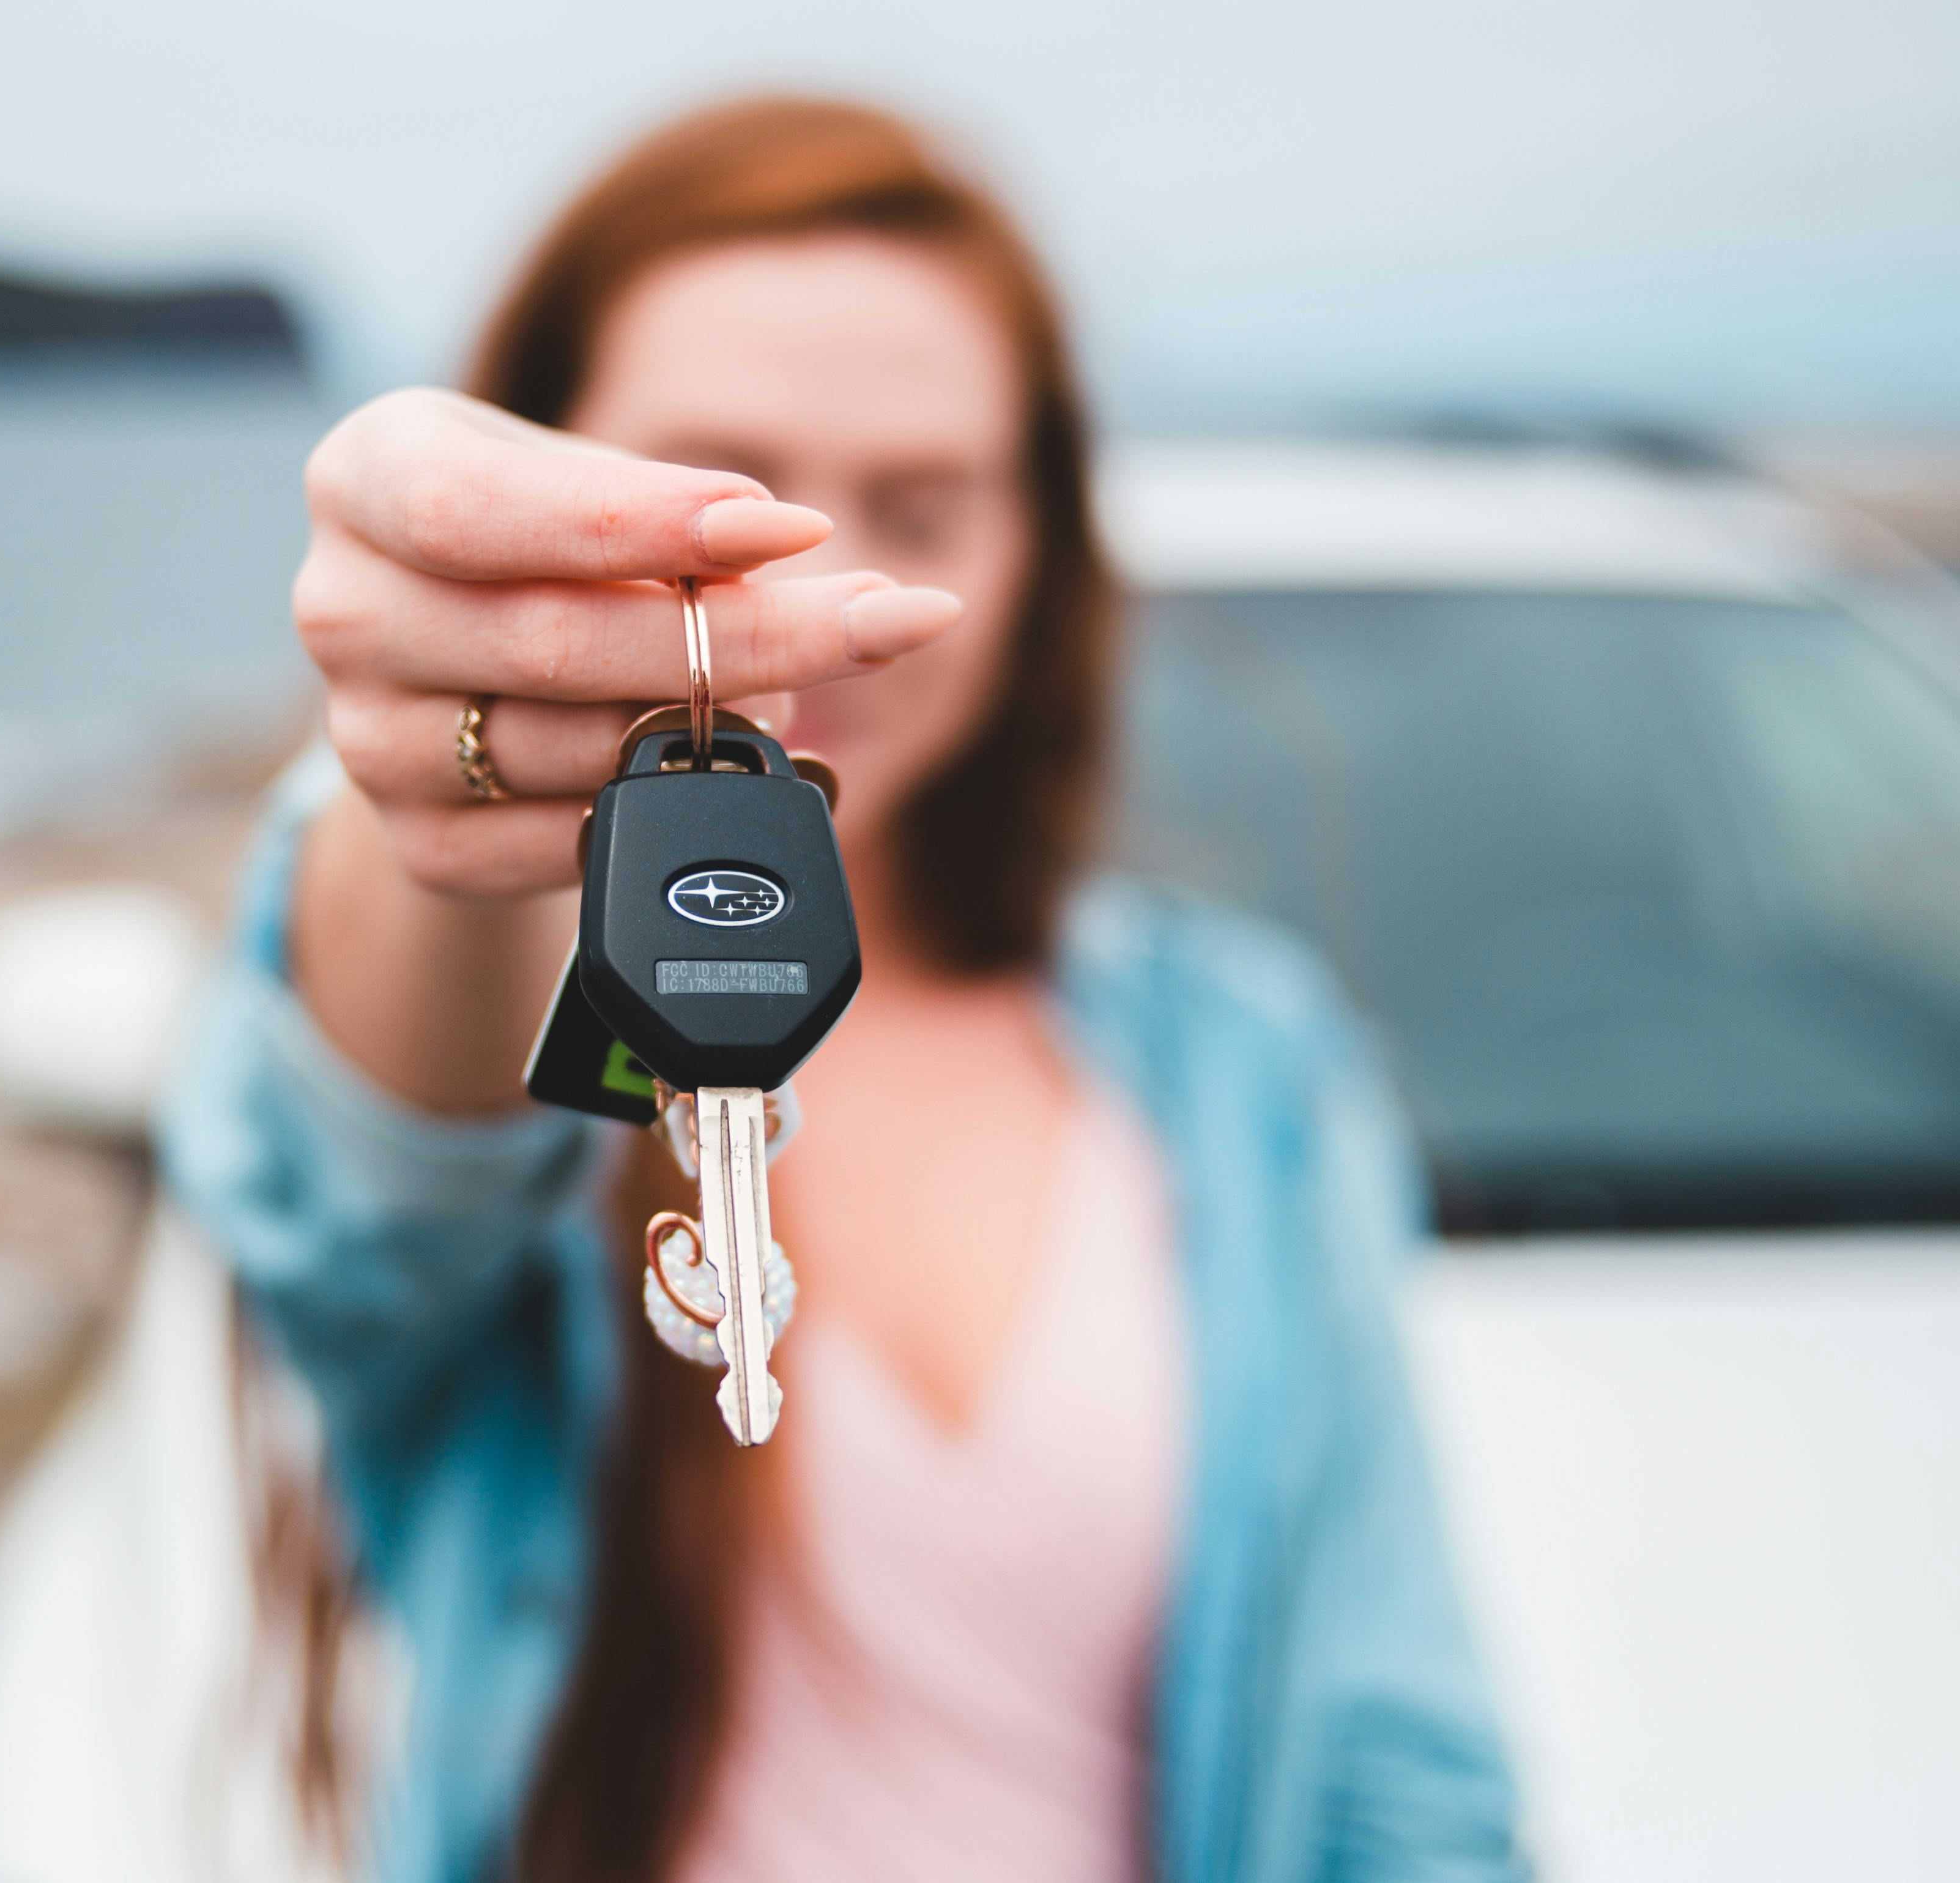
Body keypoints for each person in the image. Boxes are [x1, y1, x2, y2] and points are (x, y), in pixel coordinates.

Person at [163, 96, 1519, 1883]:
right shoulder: (508, 1001)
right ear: (542, 495)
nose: (812, 580)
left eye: (922, 501)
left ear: (1040, 556)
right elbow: (360, 1184)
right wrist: (421, 797)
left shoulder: (1244, 1068)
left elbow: (1397, 1770)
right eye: (717, 491)